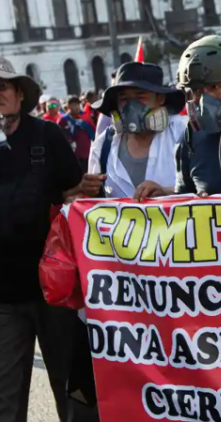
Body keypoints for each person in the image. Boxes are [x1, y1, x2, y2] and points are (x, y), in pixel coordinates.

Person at [0, 59, 102, 422]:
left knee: (71, 394)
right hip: (5, 298)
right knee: (5, 399)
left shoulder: (46, 136)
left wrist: (85, 192)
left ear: (19, 94)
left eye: (2, 88)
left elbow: (75, 197)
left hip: (54, 291)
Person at [88, 62, 187, 200]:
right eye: (124, 99)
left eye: (141, 97)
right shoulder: (103, 146)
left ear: (161, 99)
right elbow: (93, 203)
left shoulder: (184, 133)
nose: (131, 106)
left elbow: (206, 192)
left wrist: (168, 193)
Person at [174, 35, 221, 196]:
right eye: (196, 91)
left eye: (215, 87)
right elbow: (183, 197)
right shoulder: (191, 137)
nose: (203, 100)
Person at [58, 95, 96, 171]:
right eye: (74, 105)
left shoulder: (85, 117)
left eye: (78, 104)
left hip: (87, 154)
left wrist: (85, 125)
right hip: (72, 156)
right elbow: (60, 137)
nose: (77, 107)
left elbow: (93, 134)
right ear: (68, 107)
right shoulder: (63, 120)